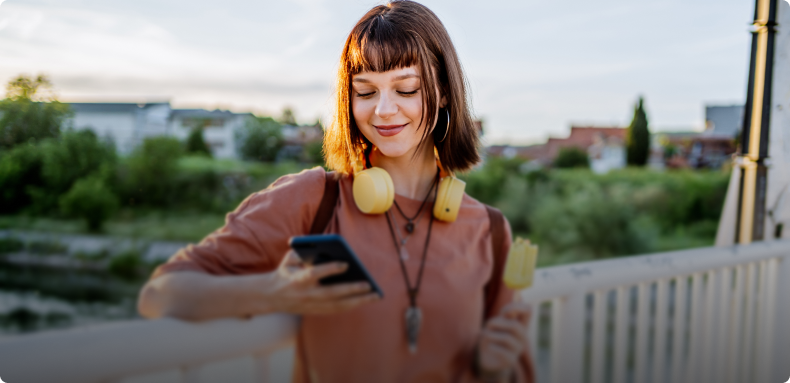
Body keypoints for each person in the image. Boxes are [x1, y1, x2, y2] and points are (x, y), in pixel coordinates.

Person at [137, 1, 534, 382]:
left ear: (444, 90)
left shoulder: (489, 230)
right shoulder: (312, 200)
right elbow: (161, 294)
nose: (383, 110)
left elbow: (516, 370)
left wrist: (494, 369)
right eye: (365, 91)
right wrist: (272, 291)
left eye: (406, 89)